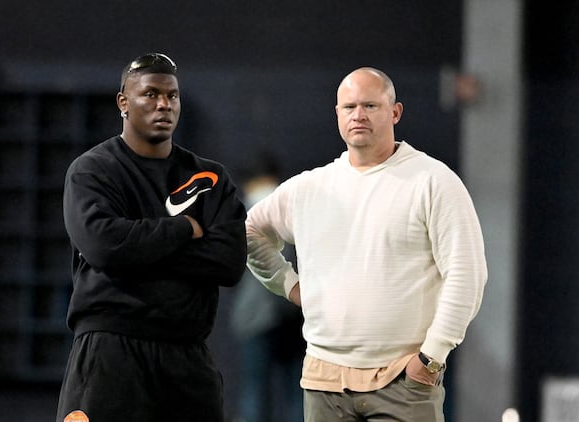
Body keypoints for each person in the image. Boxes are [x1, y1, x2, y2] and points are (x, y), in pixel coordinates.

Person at [245, 67, 488, 422]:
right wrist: (290, 285)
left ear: (395, 112)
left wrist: (432, 358)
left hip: (404, 382)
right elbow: (250, 232)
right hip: (323, 383)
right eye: (349, 107)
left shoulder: (433, 182)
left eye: (371, 105)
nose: (358, 115)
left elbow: (467, 275)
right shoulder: (309, 188)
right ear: (338, 115)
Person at [56, 52, 247, 422]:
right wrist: (183, 229)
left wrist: (138, 247)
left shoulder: (210, 177)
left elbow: (229, 261)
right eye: (151, 94)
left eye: (172, 96)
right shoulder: (93, 170)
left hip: (187, 356)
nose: (164, 104)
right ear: (123, 103)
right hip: (109, 353)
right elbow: (103, 245)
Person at [230, 155, 305, 422]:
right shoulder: (292, 209)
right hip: (295, 313)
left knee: (254, 393)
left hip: (256, 317)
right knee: (296, 394)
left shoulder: (240, 213)